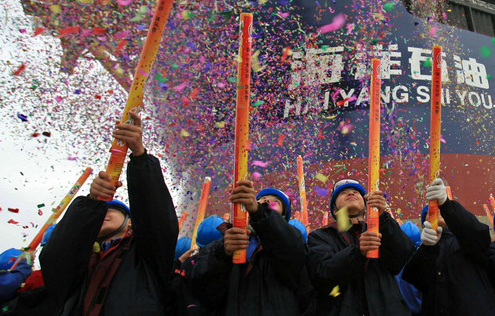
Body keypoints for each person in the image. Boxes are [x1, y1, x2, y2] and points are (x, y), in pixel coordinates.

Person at [39, 110, 178, 316]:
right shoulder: (84, 262)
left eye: (115, 209)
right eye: (103, 209)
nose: (106, 211)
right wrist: (91, 205)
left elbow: (157, 219)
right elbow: (55, 256)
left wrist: (140, 157)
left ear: (130, 222)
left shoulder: (146, 258)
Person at [189, 184, 310, 315]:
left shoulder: (291, 241)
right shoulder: (226, 242)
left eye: (276, 202)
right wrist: (222, 254)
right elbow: (203, 289)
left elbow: (294, 253)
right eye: (263, 198)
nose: (267, 201)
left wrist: (260, 212)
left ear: (283, 216)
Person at [307, 178, 413, 316]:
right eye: (343, 192)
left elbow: (402, 255)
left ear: (365, 205)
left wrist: (383, 218)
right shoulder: (321, 236)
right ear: (334, 208)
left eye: (356, 192)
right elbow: (322, 274)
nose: (351, 193)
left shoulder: (382, 229)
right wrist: (357, 252)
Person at [402, 178, 495, 316]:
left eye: (440, 209)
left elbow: (478, 233)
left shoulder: (465, 241)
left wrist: (446, 204)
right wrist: (427, 248)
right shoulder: (423, 249)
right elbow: (415, 278)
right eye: (430, 212)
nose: (436, 211)